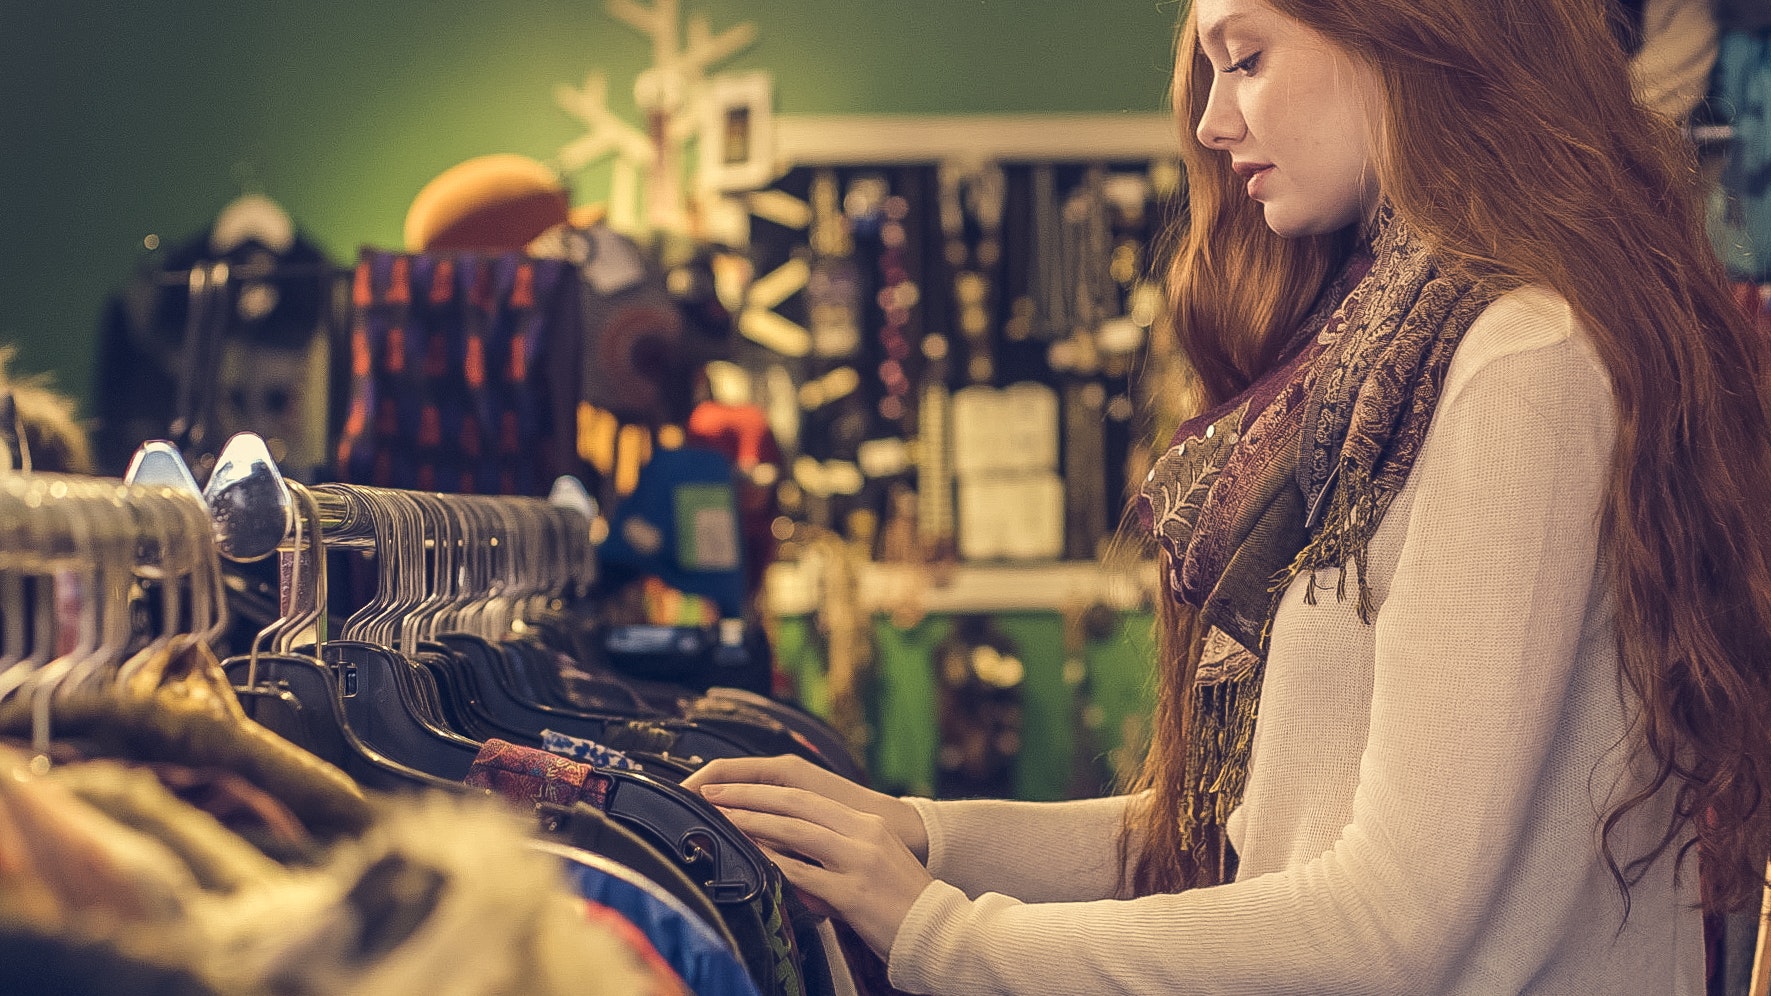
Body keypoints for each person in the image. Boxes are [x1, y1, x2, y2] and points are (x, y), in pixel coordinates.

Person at [684, 0, 1771, 991]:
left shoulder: (1517, 359)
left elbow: (1388, 925)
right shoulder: (1383, 364)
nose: (1208, 121)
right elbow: (1261, 834)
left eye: (1244, 59)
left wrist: (943, 935)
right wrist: (925, 838)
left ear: (1415, 32)